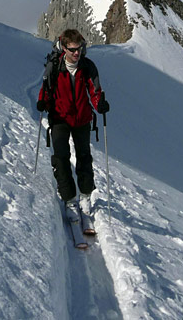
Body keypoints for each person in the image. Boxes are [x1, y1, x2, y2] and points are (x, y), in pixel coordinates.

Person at [36, 29, 110, 221]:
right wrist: (42, 102)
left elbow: (95, 91)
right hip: (59, 118)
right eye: (72, 50)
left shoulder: (87, 67)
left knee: (84, 157)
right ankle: (69, 199)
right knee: (61, 158)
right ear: (64, 48)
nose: (76, 53)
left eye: (79, 49)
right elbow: (46, 89)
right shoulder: (54, 66)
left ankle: (85, 196)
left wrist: (99, 104)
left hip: (82, 119)